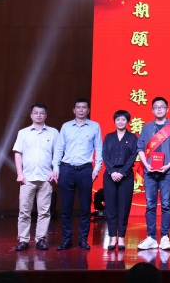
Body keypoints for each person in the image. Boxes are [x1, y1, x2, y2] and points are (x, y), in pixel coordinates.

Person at [51, 98, 102, 250]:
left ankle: (83, 240)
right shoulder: (66, 126)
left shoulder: (94, 126)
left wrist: (97, 168)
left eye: (84, 107)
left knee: (85, 207)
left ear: (88, 110)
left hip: (85, 170)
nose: (81, 110)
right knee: (66, 207)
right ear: (74, 110)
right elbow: (59, 148)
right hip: (67, 169)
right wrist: (56, 167)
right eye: (78, 107)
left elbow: (99, 148)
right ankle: (66, 239)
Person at [136, 96, 170, 250]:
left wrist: (168, 166)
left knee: (166, 205)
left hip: (168, 172)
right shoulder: (147, 128)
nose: (159, 109)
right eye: (156, 107)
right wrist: (146, 165)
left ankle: (165, 237)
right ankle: (151, 237)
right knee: (150, 205)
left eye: (162, 107)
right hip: (149, 172)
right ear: (152, 110)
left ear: (167, 109)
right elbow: (140, 148)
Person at [13, 103, 59, 251]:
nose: (39, 115)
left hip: (46, 178)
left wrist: (55, 170)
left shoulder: (53, 133)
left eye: (41, 113)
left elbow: (57, 154)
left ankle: (41, 239)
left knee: (44, 212)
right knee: (24, 211)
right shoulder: (23, 133)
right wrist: (20, 173)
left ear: (46, 115)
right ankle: (23, 240)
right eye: (36, 113)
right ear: (31, 115)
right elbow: (18, 153)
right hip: (27, 178)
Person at [102, 110, 138, 251]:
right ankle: (112, 237)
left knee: (124, 207)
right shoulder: (109, 137)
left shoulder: (133, 137)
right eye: (118, 119)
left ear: (128, 121)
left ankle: (121, 237)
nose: (120, 122)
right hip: (110, 175)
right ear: (114, 121)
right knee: (110, 208)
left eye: (123, 119)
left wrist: (122, 172)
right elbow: (105, 155)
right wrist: (112, 172)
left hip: (126, 176)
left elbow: (133, 156)